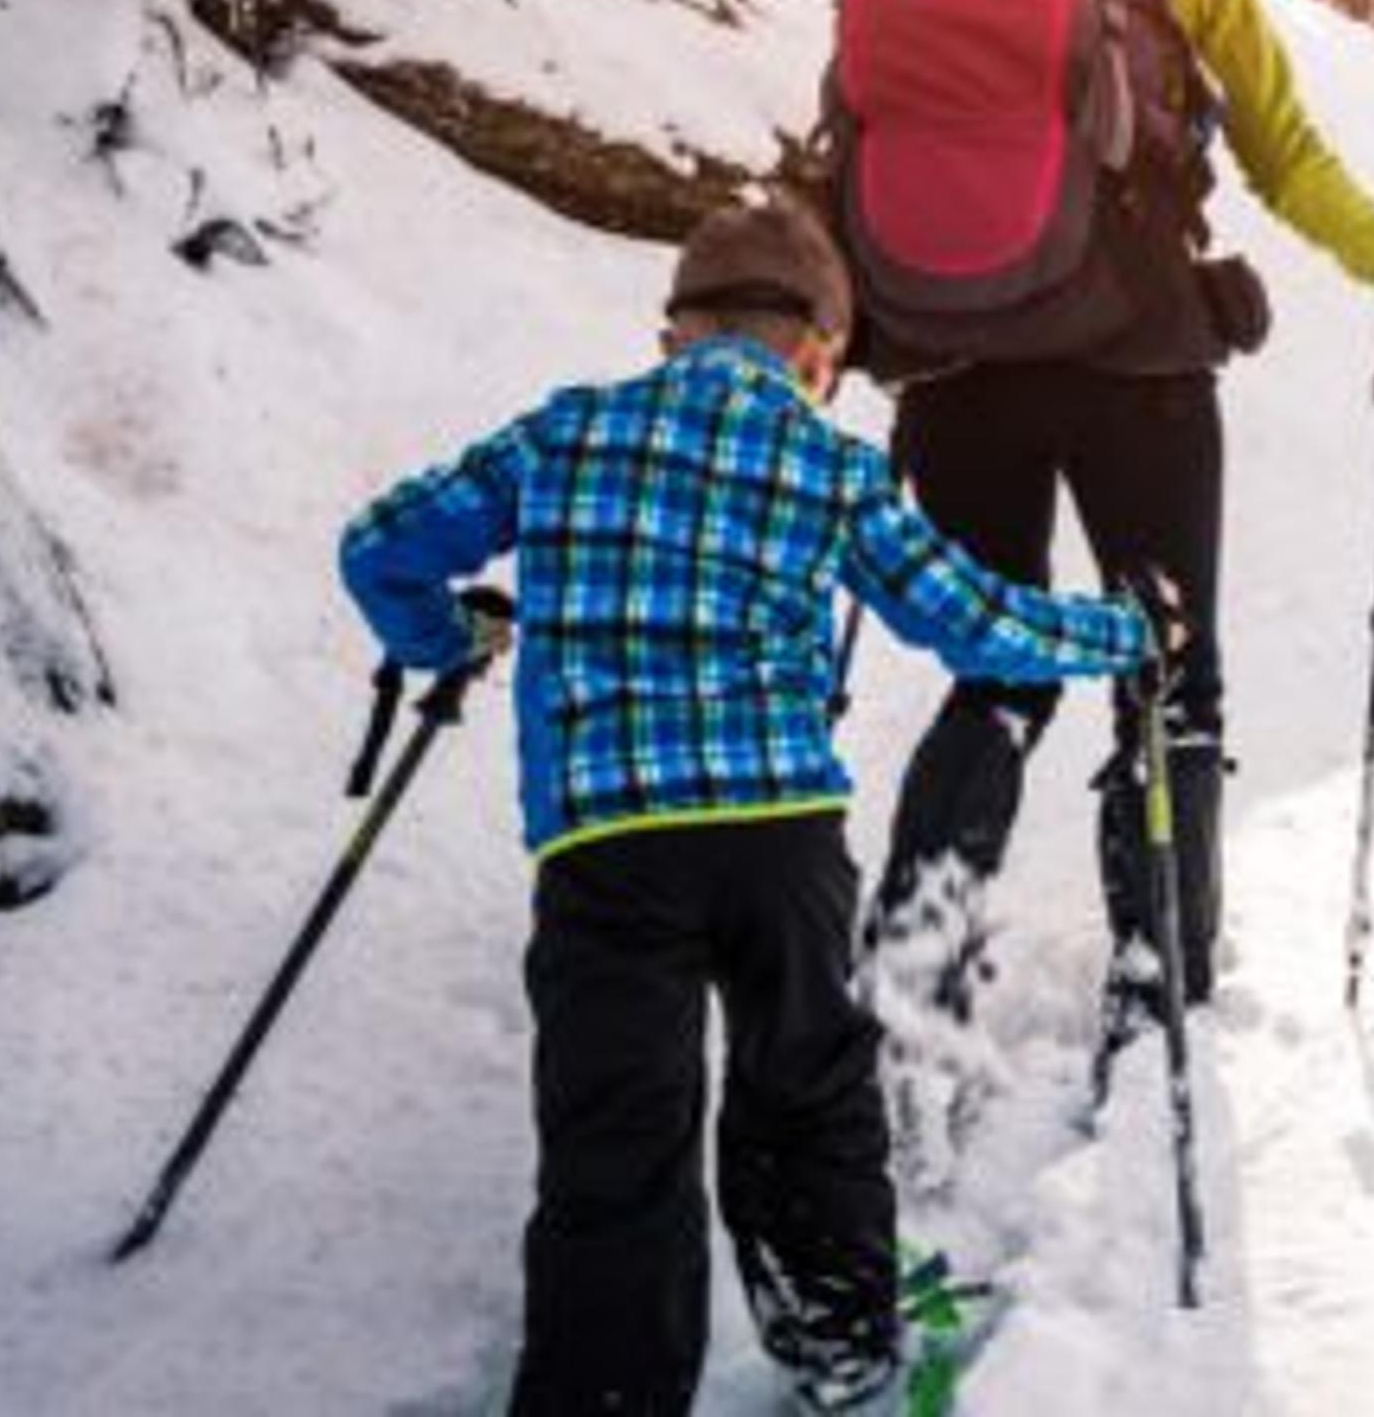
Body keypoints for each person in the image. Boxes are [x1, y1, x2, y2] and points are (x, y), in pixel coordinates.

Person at [336, 199, 1152, 1415]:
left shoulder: (568, 432)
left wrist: (448, 635)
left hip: (605, 854)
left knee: (617, 1148)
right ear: (819, 355)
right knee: (809, 1097)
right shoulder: (829, 463)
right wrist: (1129, 630)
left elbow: (380, 547)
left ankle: (604, 1398)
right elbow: (974, 622)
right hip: (779, 843)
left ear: (675, 335)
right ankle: (841, 1351)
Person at [866, 0, 1374, 1047]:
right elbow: (1290, 162)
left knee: (998, 665)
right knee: (1172, 667)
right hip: (1142, 367)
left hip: (957, 359)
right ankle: (1158, 959)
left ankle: (921, 947)